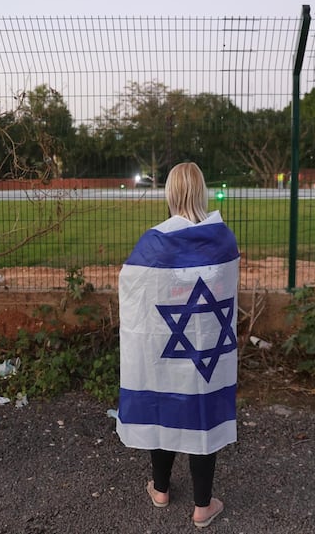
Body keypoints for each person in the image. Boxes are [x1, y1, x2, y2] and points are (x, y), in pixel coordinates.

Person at [116, 162, 239, 528]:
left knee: (164, 409)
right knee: (204, 416)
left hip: (165, 347)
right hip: (208, 351)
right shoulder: (223, 239)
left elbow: (133, 285)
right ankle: (203, 506)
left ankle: (160, 488)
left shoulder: (156, 241)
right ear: (201, 190)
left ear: (170, 193)